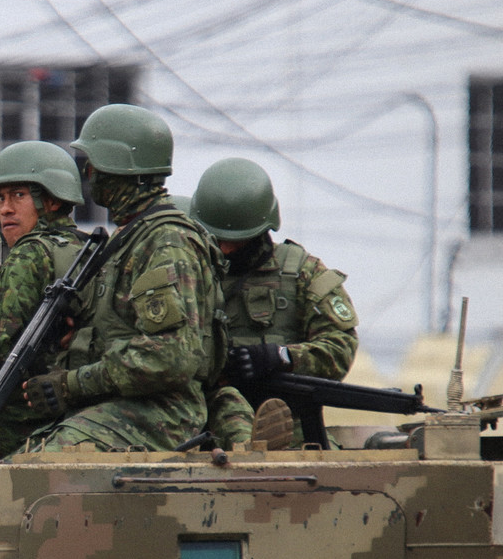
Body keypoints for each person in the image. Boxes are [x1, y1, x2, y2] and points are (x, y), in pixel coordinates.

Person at [21, 104, 228, 453]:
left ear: (117, 169)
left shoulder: (165, 242)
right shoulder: (129, 238)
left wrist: (73, 384)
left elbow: (170, 356)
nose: (88, 173)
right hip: (120, 406)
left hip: (160, 415)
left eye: (95, 163)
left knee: (36, 470)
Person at [189, 157, 359, 445]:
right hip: (203, 423)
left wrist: (280, 357)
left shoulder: (302, 273)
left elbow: (340, 348)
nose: (226, 249)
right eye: (218, 239)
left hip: (286, 426)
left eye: (238, 240)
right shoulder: (190, 273)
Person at [0, 141, 87, 458]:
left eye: (19, 195)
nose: (4, 209)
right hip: (75, 414)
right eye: (0, 198)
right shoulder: (87, 250)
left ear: (52, 199)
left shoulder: (31, 254)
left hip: (21, 421)